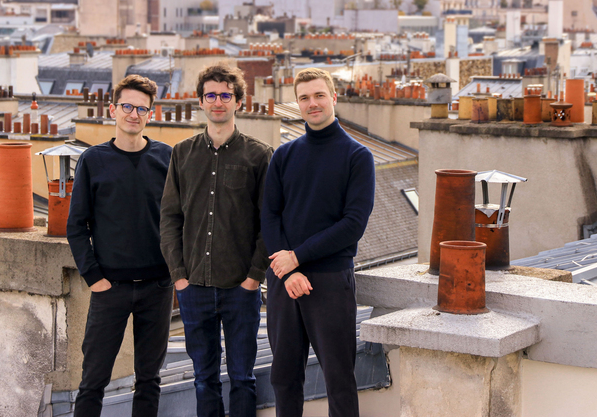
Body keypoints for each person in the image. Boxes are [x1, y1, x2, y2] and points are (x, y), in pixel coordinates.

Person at [261, 67, 375, 417]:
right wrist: (287, 270)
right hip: (284, 281)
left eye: (319, 95)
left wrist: (297, 258)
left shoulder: (358, 157)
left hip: (329, 281)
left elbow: (352, 225)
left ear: (334, 97)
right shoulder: (284, 155)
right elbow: (269, 215)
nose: (312, 103)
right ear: (297, 102)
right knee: (284, 379)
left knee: (339, 381)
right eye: (304, 97)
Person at [160, 64, 273, 417]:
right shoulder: (181, 153)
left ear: (238, 101)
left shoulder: (258, 155)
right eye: (211, 95)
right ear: (200, 101)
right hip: (194, 288)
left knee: (242, 378)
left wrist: (254, 277)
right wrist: (179, 276)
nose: (218, 101)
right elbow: (169, 217)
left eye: (226, 95)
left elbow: (268, 224)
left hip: (241, 289)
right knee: (203, 379)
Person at [66, 74, 174, 417]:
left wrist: (176, 270)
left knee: (148, 380)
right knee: (92, 380)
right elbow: (76, 226)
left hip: (158, 287)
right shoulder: (93, 160)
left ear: (150, 114)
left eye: (142, 108)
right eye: (127, 106)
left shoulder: (167, 159)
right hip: (109, 288)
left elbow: (180, 220)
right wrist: (94, 277)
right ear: (113, 109)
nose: (134, 114)